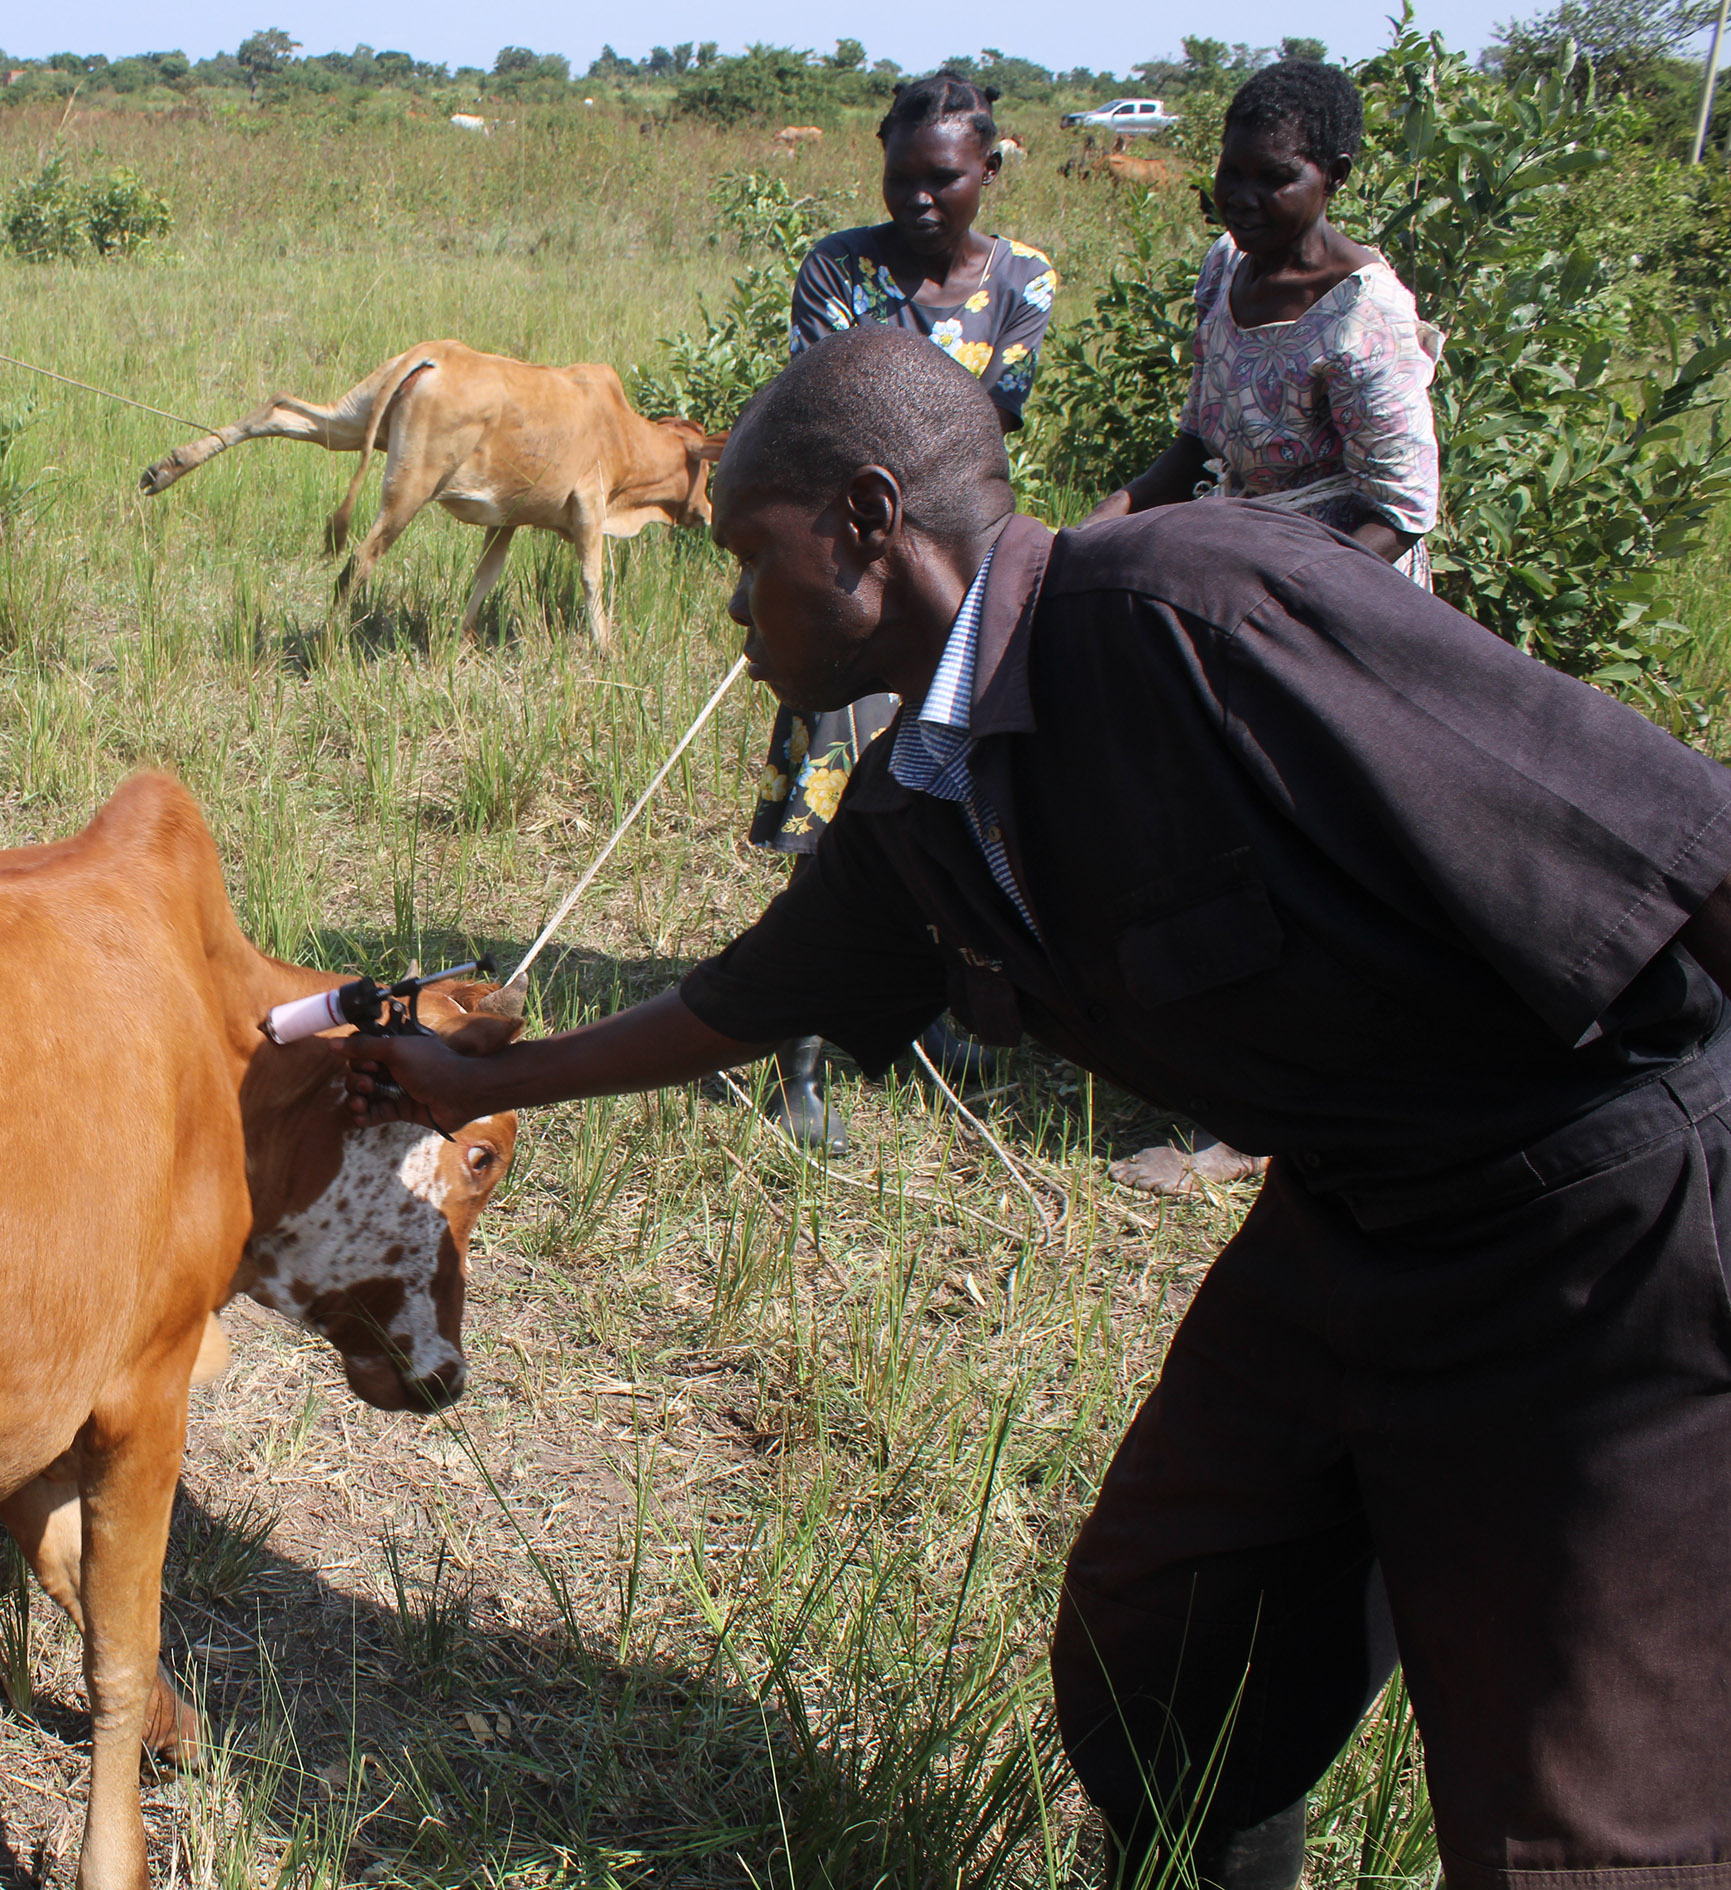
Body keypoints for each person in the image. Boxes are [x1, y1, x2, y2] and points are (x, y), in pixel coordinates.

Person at [343, 326, 1731, 1889]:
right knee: (1164, 1643)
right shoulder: (920, 798)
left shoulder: (1194, 612)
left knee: (1584, 1811)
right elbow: (746, 996)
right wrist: (483, 1078)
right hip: (1348, 1212)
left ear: (866, 523)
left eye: (747, 554)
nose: (730, 607)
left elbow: (1676, 851)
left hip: (1594, 1218)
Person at [1086, 58, 1440, 1194]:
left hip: (1337, 604)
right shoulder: (1224, 275)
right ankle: (1217, 1062)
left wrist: (1280, 606)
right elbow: (1196, 446)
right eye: (1226, 181)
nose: (1242, 203)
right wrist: (1101, 529)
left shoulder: (1364, 311)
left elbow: (1399, 506)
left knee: (1297, 851)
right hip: (1226, 578)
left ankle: (1264, 1113)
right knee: (1196, 832)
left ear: (1332, 175)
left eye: (1271, 180)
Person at [746, 70, 1060, 1151]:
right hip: (843, 583)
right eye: (901, 178)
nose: (920, 200)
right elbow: (827, 418)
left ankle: (931, 1012)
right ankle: (795, 1059)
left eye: (944, 179)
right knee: (824, 804)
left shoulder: (1023, 281)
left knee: (945, 796)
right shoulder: (837, 265)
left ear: (989, 168)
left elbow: (979, 419)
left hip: (948, 592)